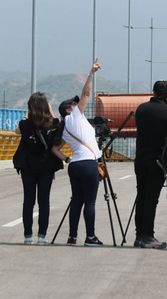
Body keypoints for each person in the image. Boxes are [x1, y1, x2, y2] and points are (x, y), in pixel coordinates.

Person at [52, 61, 103, 246]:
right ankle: (90, 237)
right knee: (90, 202)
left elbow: (54, 149)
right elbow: (86, 93)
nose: (76, 104)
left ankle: (72, 237)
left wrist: (67, 158)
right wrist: (91, 72)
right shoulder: (74, 116)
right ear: (68, 109)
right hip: (89, 164)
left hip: (74, 165)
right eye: (73, 104)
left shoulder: (64, 128)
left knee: (76, 201)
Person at [14, 92, 63, 245]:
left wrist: (27, 117)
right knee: (44, 201)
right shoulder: (53, 123)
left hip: (28, 167)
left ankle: (27, 236)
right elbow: (55, 123)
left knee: (28, 201)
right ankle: (42, 236)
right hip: (46, 167)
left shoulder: (24, 124)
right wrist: (48, 108)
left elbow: (17, 132)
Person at [133, 80, 167, 249]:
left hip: (141, 158)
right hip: (158, 159)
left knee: (141, 196)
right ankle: (148, 236)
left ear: (154, 92)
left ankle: (139, 235)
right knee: (152, 198)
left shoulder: (141, 108)